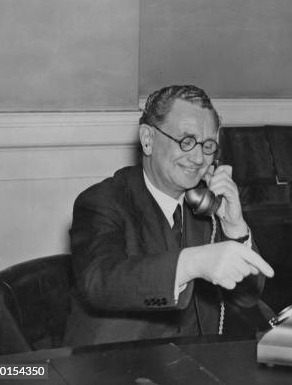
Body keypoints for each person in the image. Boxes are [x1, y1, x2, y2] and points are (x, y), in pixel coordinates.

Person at [64, 84, 274, 345]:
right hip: (117, 365)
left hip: (194, 364)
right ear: (148, 139)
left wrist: (234, 225)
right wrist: (192, 262)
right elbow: (101, 283)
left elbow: (247, 297)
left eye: (208, 146)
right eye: (187, 141)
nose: (198, 158)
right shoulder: (102, 201)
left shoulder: (206, 206)